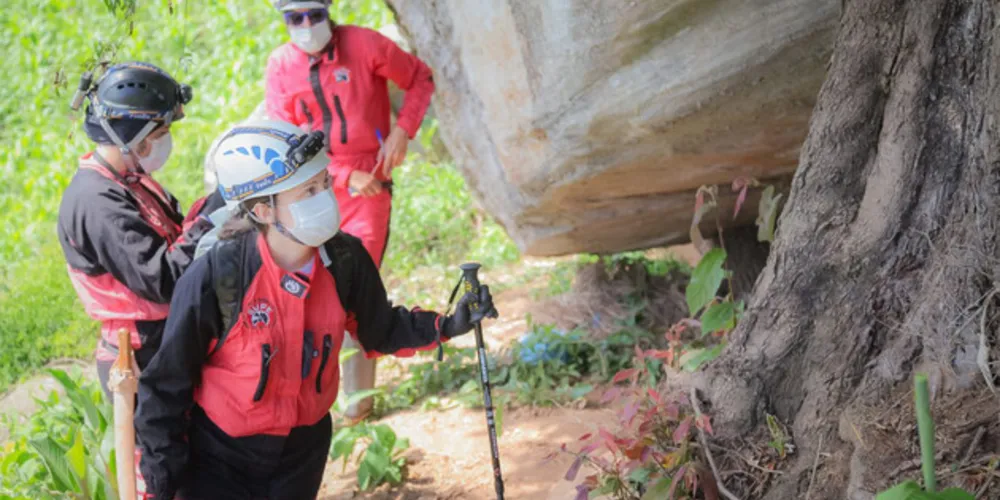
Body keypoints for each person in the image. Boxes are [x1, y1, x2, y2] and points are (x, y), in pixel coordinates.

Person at [135, 120, 496, 500]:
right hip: (219, 458)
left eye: (324, 183)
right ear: (263, 210)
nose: (325, 196)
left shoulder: (345, 260)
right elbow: (165, 387)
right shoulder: (218, 276)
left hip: (302, 453)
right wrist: (163, 480)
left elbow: (381, 330)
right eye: (308, 191)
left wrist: (449, 324)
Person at [264, 0, 436, 421]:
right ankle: (306, 404)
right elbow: (281, 137)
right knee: (304, 291)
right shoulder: (281, 65)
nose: (306, 26)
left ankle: (358, 409)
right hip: (309, 190)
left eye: (314, 16)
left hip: (370, 188)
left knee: (356, 292)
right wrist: (341, 175)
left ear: (328, 12)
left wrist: (402, 131)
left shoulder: (364, 45)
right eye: (294, 19)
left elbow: (420, 78)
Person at [57, 61, 224, 402]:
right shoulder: (96, 201)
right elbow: (162, 279)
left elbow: (176, 237)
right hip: (140, 358)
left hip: (166, 341)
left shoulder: (129, 180)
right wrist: (211, 215)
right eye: (160, 134)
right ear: (133, 137)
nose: (166, 143)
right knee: (156, 455)